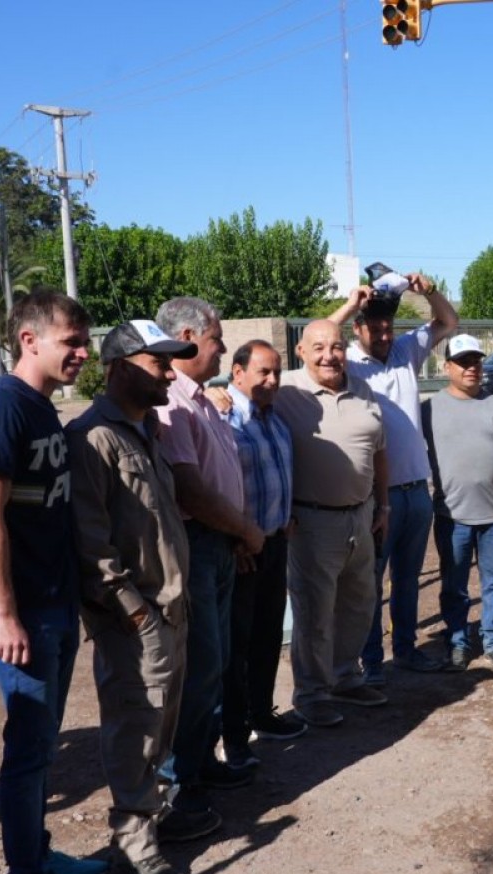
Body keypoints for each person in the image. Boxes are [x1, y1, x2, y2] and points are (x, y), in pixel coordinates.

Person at [0, 291, 106, 874]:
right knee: (28, 746)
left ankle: (39, 857)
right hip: (21, 610)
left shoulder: (44, 408)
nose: (82, 352)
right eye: (71, 341)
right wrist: (5, 614)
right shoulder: (1, 408)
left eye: (83, 341)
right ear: (30, 340)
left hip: (54, 600)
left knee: (43, 741)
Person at [67, 319, 199, 874]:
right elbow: (90, 545)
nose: (170, 373)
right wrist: (136, 613)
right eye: (158, 364)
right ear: (120, 367)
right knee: (133, 732)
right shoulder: (93, 438)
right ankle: (133, 849)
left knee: (160, 729)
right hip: (135, 619)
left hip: (171, 609)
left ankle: (151, 822)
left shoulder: (146, 432)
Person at [153, 296, 266, 835]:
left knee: (216, 665)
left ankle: (201, 765)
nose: (221, 345)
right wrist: (243, 528)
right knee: (197, 671)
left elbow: (221, 475)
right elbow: (190, 487)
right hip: (196, 546)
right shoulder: (172, 400)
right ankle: (179, 787)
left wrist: (238, 534)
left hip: (220, 546)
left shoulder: (202, 399)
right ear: (190, 337)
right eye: (217, 337)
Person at [329, 274, 459, 682]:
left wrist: (430, 291)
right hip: (373, 495)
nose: (385, 335)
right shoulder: (347, 360)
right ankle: (371, 662)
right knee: (369, 583)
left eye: (389, 327)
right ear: (359, 329)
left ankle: (405, 650)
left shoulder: (406, 350)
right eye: (376, 328)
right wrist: (351, 303)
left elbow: (448, 323)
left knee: (407, 579)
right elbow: (318, 341)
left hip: (416, 490)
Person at [273, 320, 390, 726]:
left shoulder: (363, 389)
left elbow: (378, 453)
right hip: (311, 522)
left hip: (362, 515)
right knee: (314, 613)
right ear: (301, 351)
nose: (330, 355)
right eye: (319, 347)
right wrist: (220, 395)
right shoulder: (285, 389)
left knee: (359, 604)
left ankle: (345, 677)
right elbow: (240, 396)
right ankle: (312, 693)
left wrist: (383, 506)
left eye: (337, 346)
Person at [221, 340, 307, 770]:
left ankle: (261, 712)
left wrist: (285, 520)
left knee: (269, 635)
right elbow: (217, 485)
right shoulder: (224, 419)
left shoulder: (274, 420)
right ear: (237, 373)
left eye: (277, 372)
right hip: (242, 550)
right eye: (263, 372)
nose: (273, 381)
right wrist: (235, 539)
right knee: (236, 645)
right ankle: (234, 737)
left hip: (274, 543)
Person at [426, 334, 493, 671]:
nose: (472, 368)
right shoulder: (429, 409)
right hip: (451, 515)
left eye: (476, 361)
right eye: (463, 362)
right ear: (447, 367)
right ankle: (457, 641)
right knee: (454, 585)